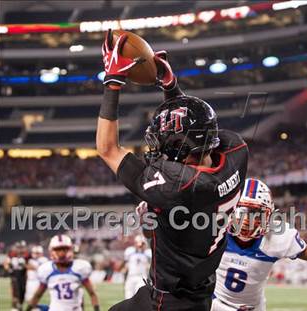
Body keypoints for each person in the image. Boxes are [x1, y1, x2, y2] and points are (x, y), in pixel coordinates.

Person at [98, 30, 248, 311]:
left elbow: (107, 149)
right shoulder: (236, 154)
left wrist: (112, 81)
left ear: (177, 147)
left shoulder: (178, 187)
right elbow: (199, 128)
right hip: (199, 290)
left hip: (169, 302)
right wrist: (171, 86)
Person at [211, 178, 307, 311]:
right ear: (231, 210)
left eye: (256, 213)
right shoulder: (216, 231)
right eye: (242, 211)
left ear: (268, 215)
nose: (247, 219)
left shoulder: (277, 237)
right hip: (215, 303)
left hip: (252, 307)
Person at [25, 234, 100, 311]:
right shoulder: (47, 270)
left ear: (70, 249)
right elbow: (37, 295)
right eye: (58, 249)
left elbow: (92, 293)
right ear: (51, 251)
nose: (61, 253)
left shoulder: (80, 268)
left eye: (64, 249)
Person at [123, 235, 151, 299]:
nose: (139, 245)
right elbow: (126, 265)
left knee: (140, 298)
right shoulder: (129, 251)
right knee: (128, 298)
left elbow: (151, 265)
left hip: (142, 277)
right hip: (130, 277)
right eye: (137, 243)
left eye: (141, 243)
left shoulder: (148, 253)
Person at [4, 241, 29, 311]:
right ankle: (14, 307)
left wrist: (24, 265)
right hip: (14, 276)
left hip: (23, 276)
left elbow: (30, 266)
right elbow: (6, 263)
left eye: (21, 247)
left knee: (23, 292)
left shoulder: (27, 255)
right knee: (15, 292)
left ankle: (20, 305)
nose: (20, 249)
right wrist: (9, 269)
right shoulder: (12, 254)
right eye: (19, 247)